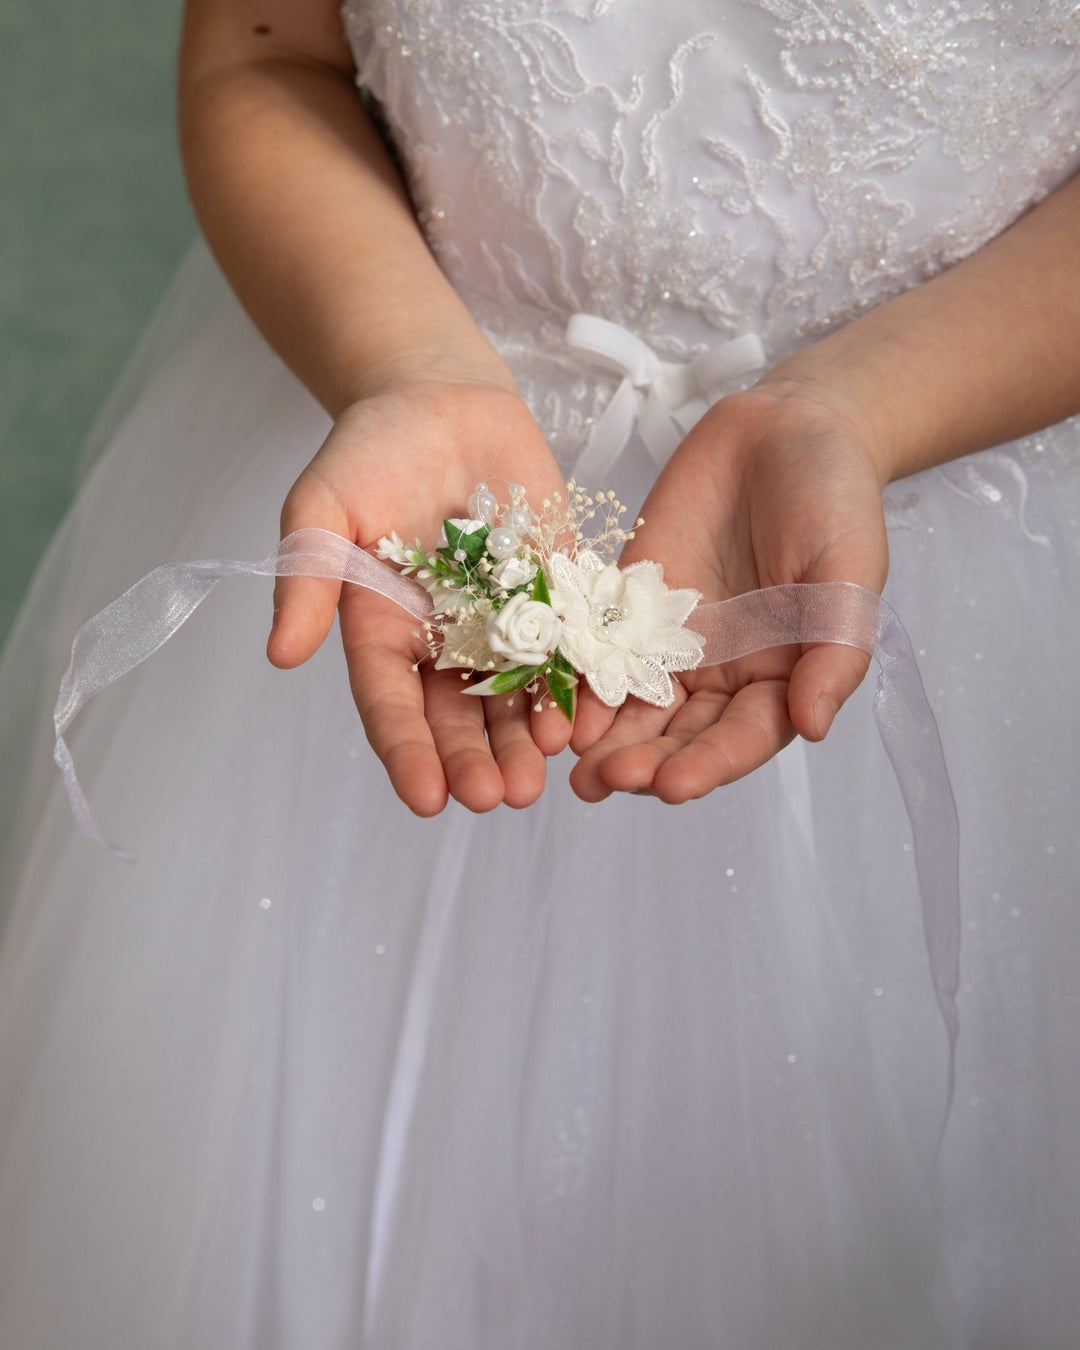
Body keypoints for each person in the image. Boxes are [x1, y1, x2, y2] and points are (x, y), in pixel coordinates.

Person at [1, 1, 1079, 1346]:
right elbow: (267, 49)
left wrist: (857, 406)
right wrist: (406, 364)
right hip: (414, 465)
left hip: (942, 506)